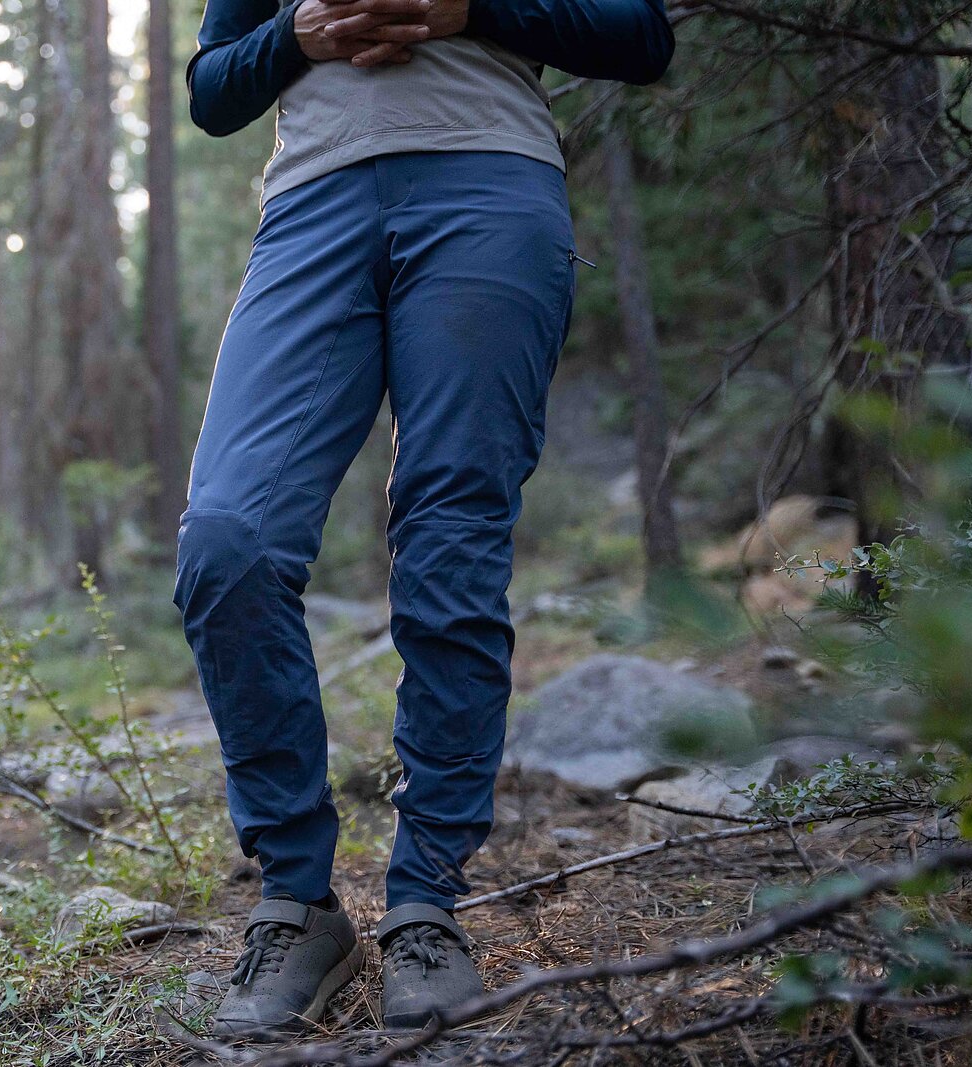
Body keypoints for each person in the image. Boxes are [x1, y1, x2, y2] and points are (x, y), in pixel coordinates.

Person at [172, 0, 674, 1038]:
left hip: (490, 183)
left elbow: (638, 36)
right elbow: (213, 91)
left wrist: (471, 10)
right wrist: (297, 37)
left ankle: (426, 901)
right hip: (311, 207)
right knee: (228, 537)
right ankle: (297, 897)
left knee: (451, 539)